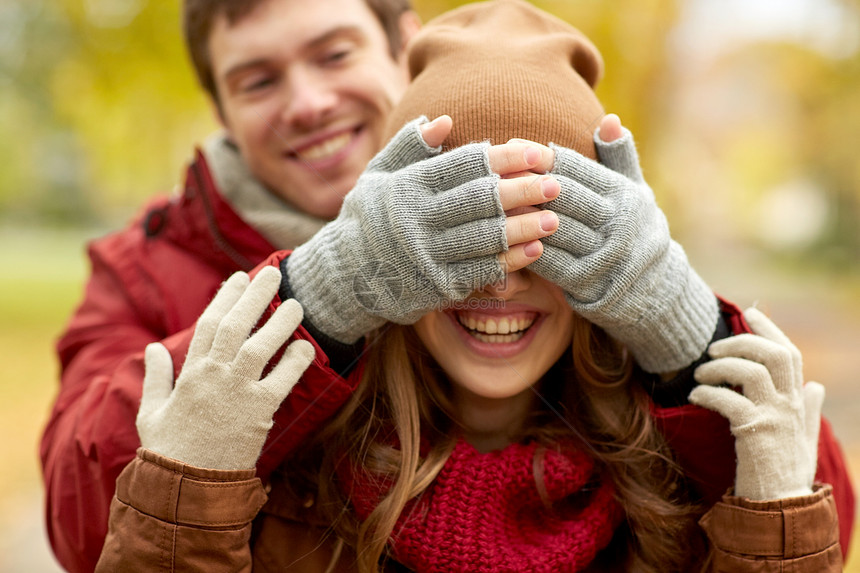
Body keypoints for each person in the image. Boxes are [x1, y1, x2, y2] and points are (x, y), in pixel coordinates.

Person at [40, 0, 854, 570]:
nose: (310, 103)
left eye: (333, 53)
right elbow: (91, 526)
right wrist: (319, 298)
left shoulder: (620, 362)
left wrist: (686, 333)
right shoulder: (144, 267)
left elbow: (805, 509)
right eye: (257, 80)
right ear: (218, 105)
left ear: (403, 43)